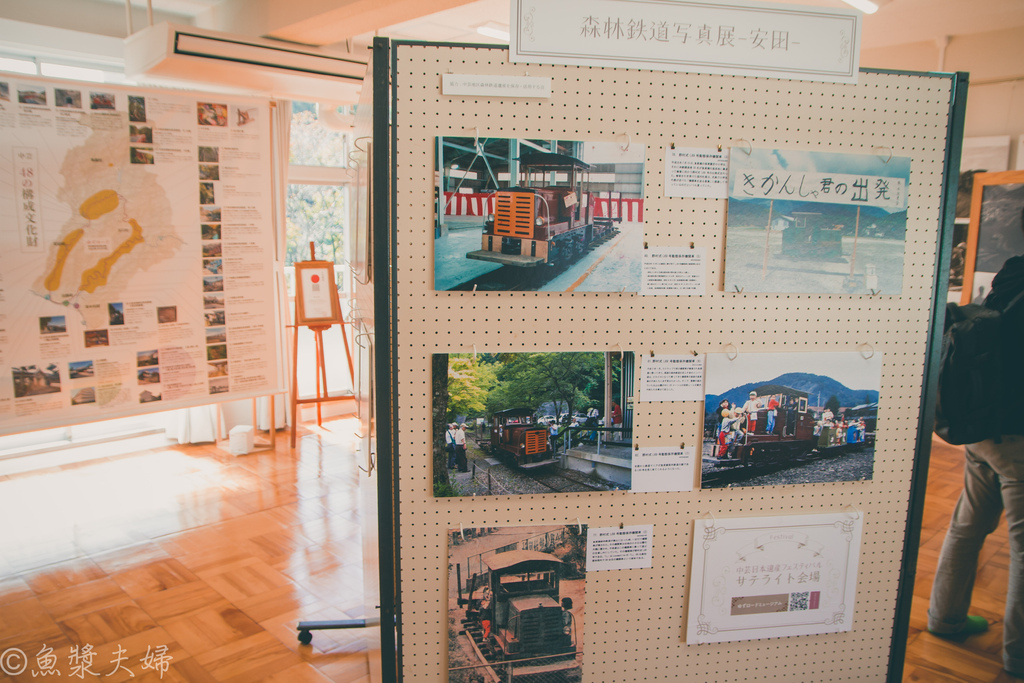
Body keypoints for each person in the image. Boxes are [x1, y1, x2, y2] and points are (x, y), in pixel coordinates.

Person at [927, 213, 1024, 678]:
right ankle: (1017, 657)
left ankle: (944, 618)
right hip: (1019, 435)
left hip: (980, 424)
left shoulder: (1013, 269)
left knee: (967, 525)